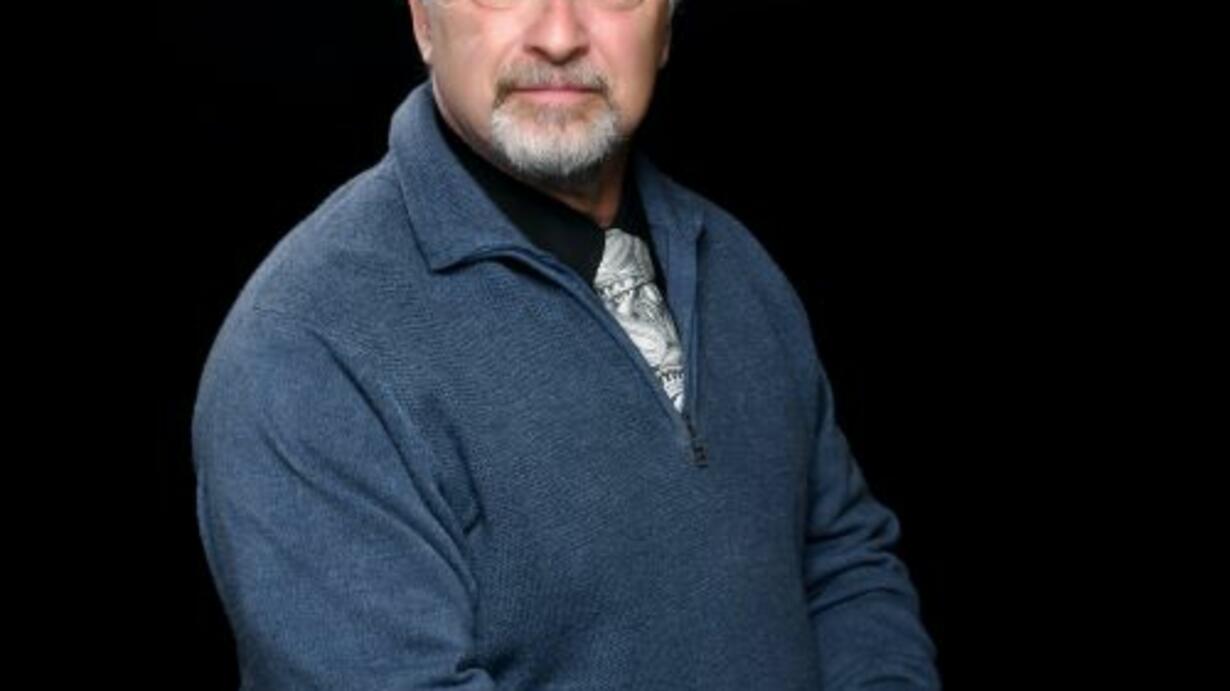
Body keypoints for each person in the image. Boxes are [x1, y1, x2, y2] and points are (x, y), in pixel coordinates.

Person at [190, 0, 941, 688]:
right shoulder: (305, 349)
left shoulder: (738, 266)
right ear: (422, 19)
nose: (558, 36)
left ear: (667, 24)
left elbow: (843, 568)